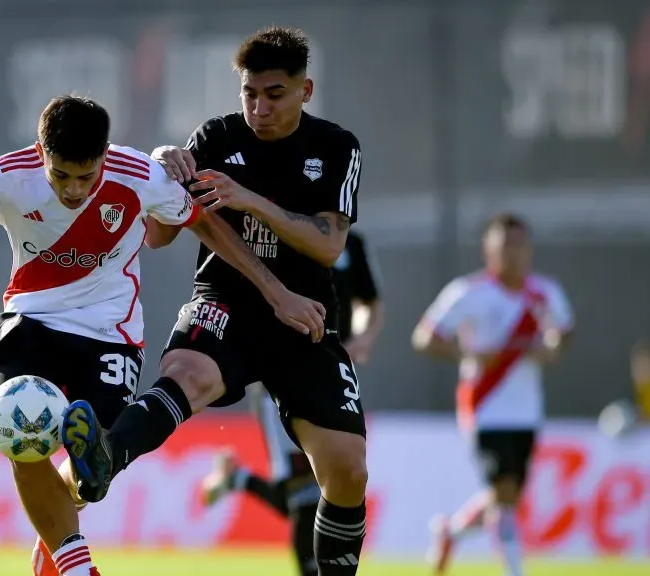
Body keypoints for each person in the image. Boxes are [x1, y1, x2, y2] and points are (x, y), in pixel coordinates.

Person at [0, 95, 325, 576]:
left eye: (87, 176)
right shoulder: (5, 176)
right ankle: (76, 565)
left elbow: (205, 224)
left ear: (105, 154)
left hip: (111, 335)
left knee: (95, 471)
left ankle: (54, 544)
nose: (75, 190)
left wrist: (276, 291)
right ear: (41, 152)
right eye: (61, 175)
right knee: (19, 431)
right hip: (31, 324)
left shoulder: (138, 174)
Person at [59, 27, 370, 575]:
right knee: (187, 372)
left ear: (306, 90)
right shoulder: (216, 137)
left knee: (347, 472)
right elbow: (159, 235)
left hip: (302, 313)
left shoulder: (335, 147)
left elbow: (329, 242)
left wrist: (248, 199)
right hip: (226, 299)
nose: (259, 107)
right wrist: (162, 171)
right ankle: (107, 457)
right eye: (249, 93)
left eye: (274, 94)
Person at [197, 229, 385, 576]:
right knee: (301, 487)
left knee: (327, 483)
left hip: (331, 374)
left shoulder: (350, 242)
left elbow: (369, 303)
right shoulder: (265, 227)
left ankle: (238, 480)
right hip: (278, 369)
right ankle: (240, 481)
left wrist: (362, 340)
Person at [411, 213, 574, 576]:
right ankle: (514, 570)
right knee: (503, 495)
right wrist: (466, 354)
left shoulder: (544, 292)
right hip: (484, 406)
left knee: (507, 496)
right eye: (505, 246)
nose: (514, 254)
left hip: (527, 411)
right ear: (488, 250)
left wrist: (551, 347)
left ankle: (450, 532)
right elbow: (424, 337)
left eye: (520, 245)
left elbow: (562, 332)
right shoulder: (468, 292)